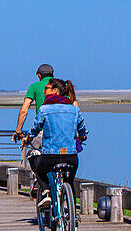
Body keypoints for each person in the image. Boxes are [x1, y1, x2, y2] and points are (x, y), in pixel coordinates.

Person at [24, 78, 87, 209]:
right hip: (71, 156)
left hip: (50, 157)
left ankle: (46, 192)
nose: (44, 91)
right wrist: (82, 136)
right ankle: (72, 215)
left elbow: (35, 129)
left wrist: (28, 139)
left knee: (40, 170)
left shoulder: (44, 109)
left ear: (55, 91)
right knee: (69, 182)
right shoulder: (74, 110)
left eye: (46, 88)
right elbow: (82, 128)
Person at [14, 63, 54, 142]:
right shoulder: (63, 86)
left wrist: (18, 131)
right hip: (63, 131)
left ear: (39, 75)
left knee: (34, 153)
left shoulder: (34, 87)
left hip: (43, 130)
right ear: (53, 74)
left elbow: (24, 110)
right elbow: (75, 107)